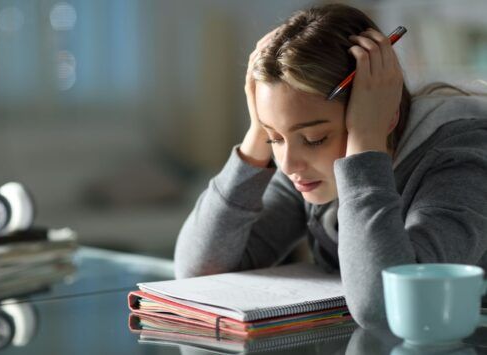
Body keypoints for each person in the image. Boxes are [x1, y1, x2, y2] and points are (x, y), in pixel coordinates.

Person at [173, 3, 487, 328]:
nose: (289, 163)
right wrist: (257, 135)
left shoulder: (461, 161)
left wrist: (365, 144)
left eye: (313, 138)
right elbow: (198, 271)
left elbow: (387, 307)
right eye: (276, 139)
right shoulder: (306, 169)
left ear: (383, 114)